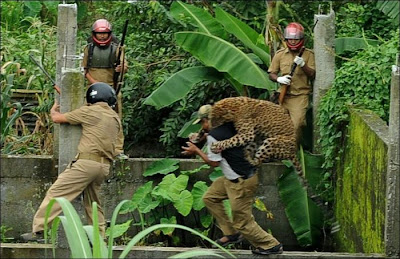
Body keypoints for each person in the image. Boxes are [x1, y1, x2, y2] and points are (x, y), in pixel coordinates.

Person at [21, 82, 122, 242]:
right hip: (103, 166)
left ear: (91, 98)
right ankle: (100, 237)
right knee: (93, 203)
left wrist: (54, 109)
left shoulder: (89, 112)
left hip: (86, 164)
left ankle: (39, 231)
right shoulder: (114, 117)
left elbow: (57, 118)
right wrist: (66, 94)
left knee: (57, 193)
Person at [182, 105, 283, 255]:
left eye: (202, 123)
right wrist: (200, 136)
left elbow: (214, 162)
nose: (202, 127)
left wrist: (195, 150)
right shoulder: (232, 125)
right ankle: (231, 234)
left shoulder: (214, 137)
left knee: (242, 222)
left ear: (207, 120)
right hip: (234, 178)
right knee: (210, 198)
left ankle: (270, 244)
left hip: (240, 182)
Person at [82, 18, 128, 157]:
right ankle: (91, 148)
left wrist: (121, 68)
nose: (102, 36)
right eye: (99, 33)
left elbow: (124, 66)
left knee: (115, 119)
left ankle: (117, 150)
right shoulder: (88, 49)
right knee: (90, 118)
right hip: (93, 88)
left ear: (109, 34)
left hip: (111, 89)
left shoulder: (117, 49)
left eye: (105, 33)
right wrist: (94, 82)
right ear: (94, 34)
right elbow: (84, 70)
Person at [268, 22, 315, 141]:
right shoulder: (280, 54)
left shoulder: (309, 54)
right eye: (290, 39)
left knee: (297, 124)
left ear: (301, 39)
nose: (293, 42)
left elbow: (313, 74)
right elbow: (271, 73)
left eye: (296, 39)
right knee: (278, 125)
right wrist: (279, 78)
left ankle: (293, 150)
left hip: (299, 96)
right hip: (283, 94)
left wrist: (303, 65)